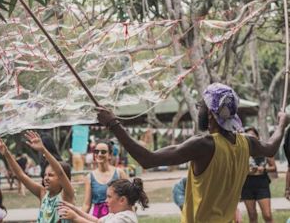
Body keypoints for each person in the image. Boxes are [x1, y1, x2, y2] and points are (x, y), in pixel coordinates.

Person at [96, 82, 289, 222]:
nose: (199, 110)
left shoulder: (204, 144)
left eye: (201, 106)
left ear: (211, 114)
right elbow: (271, 146)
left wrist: (114, 124)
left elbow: (148, 159)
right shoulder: (247, 142)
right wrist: (282, 123)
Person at [0, 131, 74, 223]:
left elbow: (60, 173)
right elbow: (21, 175)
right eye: (45, 175)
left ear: (62, 180)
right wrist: (7, 154)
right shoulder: (43, 193)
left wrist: (43, 150)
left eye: (51, 175)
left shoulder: (66, 195)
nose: (46, 178)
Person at [58, 178, 149, 223]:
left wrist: (75, 218)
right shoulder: (115, 215)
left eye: (109, 197)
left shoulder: (125, 218)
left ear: (122, 200)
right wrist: (75, 209)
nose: (105, 200)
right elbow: (97, 221)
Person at [82, 140, 128, 218]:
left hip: (117, 217)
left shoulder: (119, 173)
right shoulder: (89, 177)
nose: (99, 154)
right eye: (96, 151)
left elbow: (129, 197)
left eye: (103, 152)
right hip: (98, 218)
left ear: (110, 155)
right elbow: (86, 204)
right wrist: (77, 218)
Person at [241, 127, 276, 223]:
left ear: (257, 136)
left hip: (262, 184)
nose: (251, 138)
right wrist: (247, 171)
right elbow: (236, 169)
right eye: (248, 136)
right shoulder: (242, 151)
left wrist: (263, 169)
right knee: (252, 216)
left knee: (267, 215)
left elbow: (273, 167)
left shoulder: (264, 148)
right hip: (247, 185)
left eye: (253, 135)